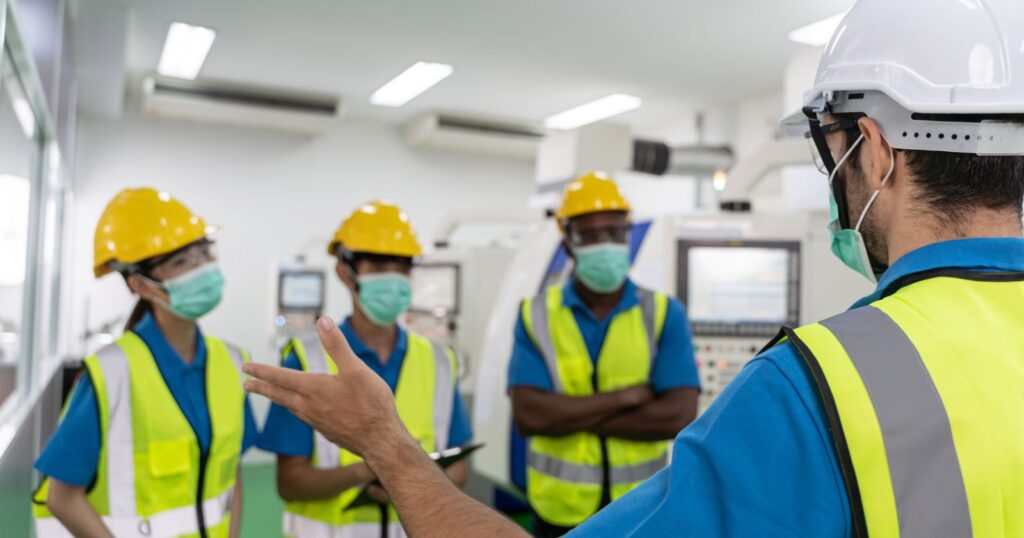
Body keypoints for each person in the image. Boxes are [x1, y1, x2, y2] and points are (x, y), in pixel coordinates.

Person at [243, 0, 1024, 535]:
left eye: (833, 151)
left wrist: (384, 442)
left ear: (875, 149)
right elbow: (538, 413)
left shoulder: (814, 388)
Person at [34, 188, 258, 538]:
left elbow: (232, 475)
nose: (201, 268)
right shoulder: (110, 373)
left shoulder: (231, 362)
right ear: (141, 284)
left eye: (203, 252)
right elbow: (61, 498)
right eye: (181, 262)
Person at [257, 200, 472, 538]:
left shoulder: (439, 360)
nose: (393, 277)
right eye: (378, 264)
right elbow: (290, 483)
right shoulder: (305, 359)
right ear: (345, 271)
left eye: (402, 266)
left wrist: (408, 478)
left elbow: (459, 465)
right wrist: (366, 471)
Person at [508, 172, 699, 536]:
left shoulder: (663, 313)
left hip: (642, 506)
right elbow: (530, 416)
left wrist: (567, 414)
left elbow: (678, 415)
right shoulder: (535, 315)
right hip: (559, 511)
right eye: (591, 235)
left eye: (615, 232)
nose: (606, 244)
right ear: (568, 244)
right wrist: (626, 398)